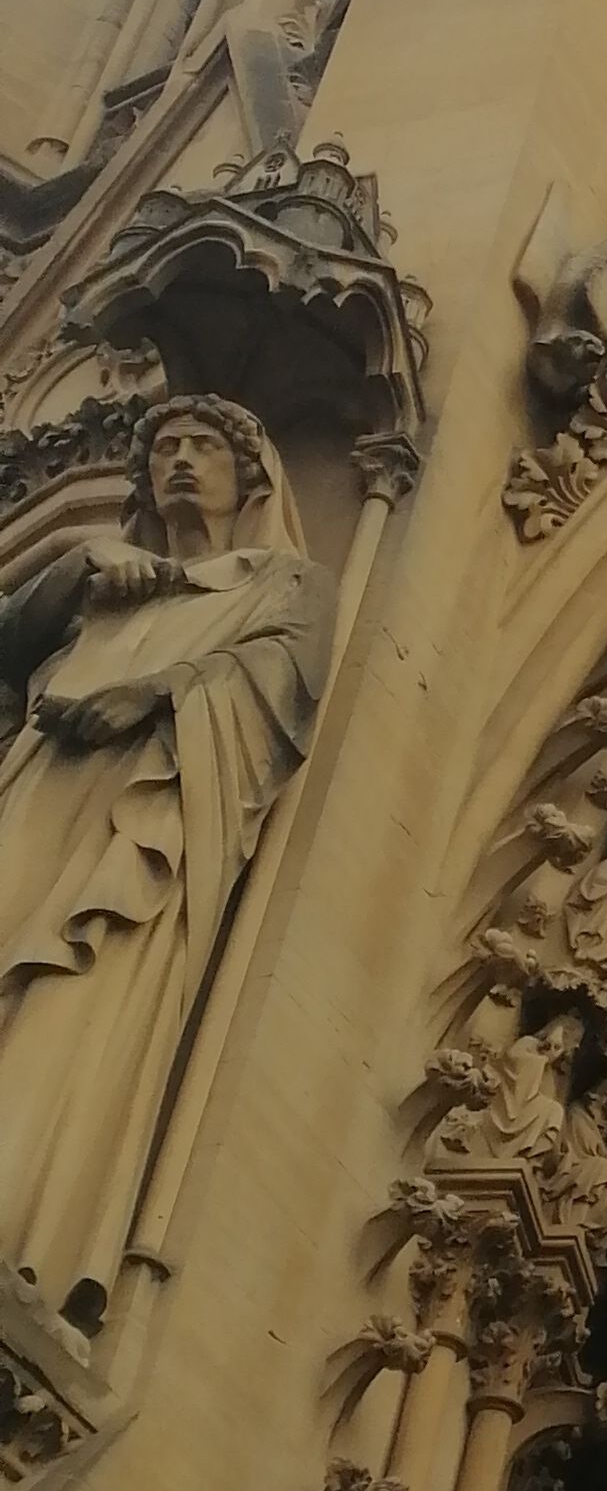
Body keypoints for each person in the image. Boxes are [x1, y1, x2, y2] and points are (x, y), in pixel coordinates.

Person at [0, 393, 335, 1320]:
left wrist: (153, 694)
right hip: (40, 792)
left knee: (76, 987)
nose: (181, 461)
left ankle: (20, 1215)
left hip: (148, 813)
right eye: (165, 450)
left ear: (251, 476)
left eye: (205, 447)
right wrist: (79, 564)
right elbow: (10, 642)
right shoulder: (110, 581)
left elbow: (284, 691)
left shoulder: (285, 585)